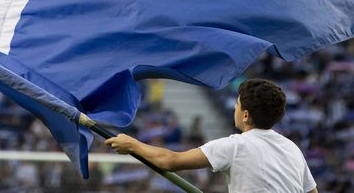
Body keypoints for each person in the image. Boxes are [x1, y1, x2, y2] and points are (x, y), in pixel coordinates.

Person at [106, 79, 317, 193]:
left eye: (237, 104)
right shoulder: (292, 149)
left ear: (245, 115)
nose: (234, 108)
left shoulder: (236, 146)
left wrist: (132, 144)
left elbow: (169, 161)